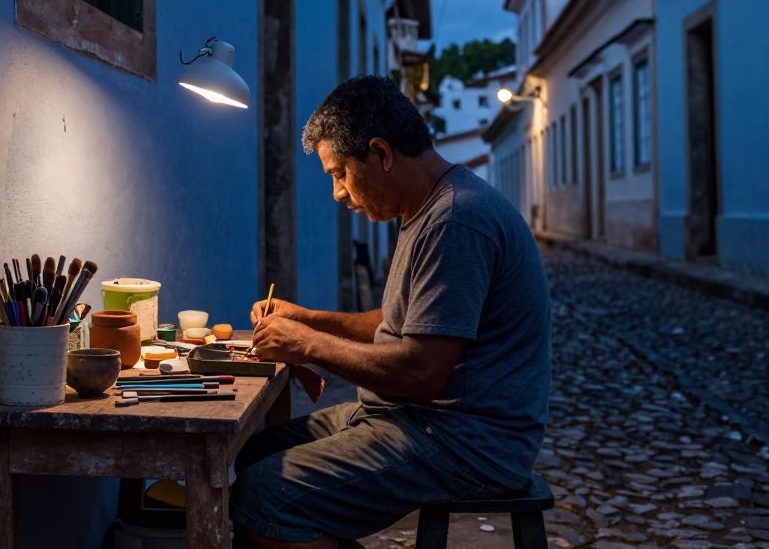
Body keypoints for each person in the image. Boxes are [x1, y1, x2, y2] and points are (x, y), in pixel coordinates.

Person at [230, 76, 552, 549]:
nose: (338, 193)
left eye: (339, 173)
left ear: (380, 153)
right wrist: (309, 321)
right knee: (256, 451)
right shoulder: (423, 209)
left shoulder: (456, 219)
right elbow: (399, 324)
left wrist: (309, 345)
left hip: (464, 440)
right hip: (413, 418)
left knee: (261, 500)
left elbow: (422, 370)